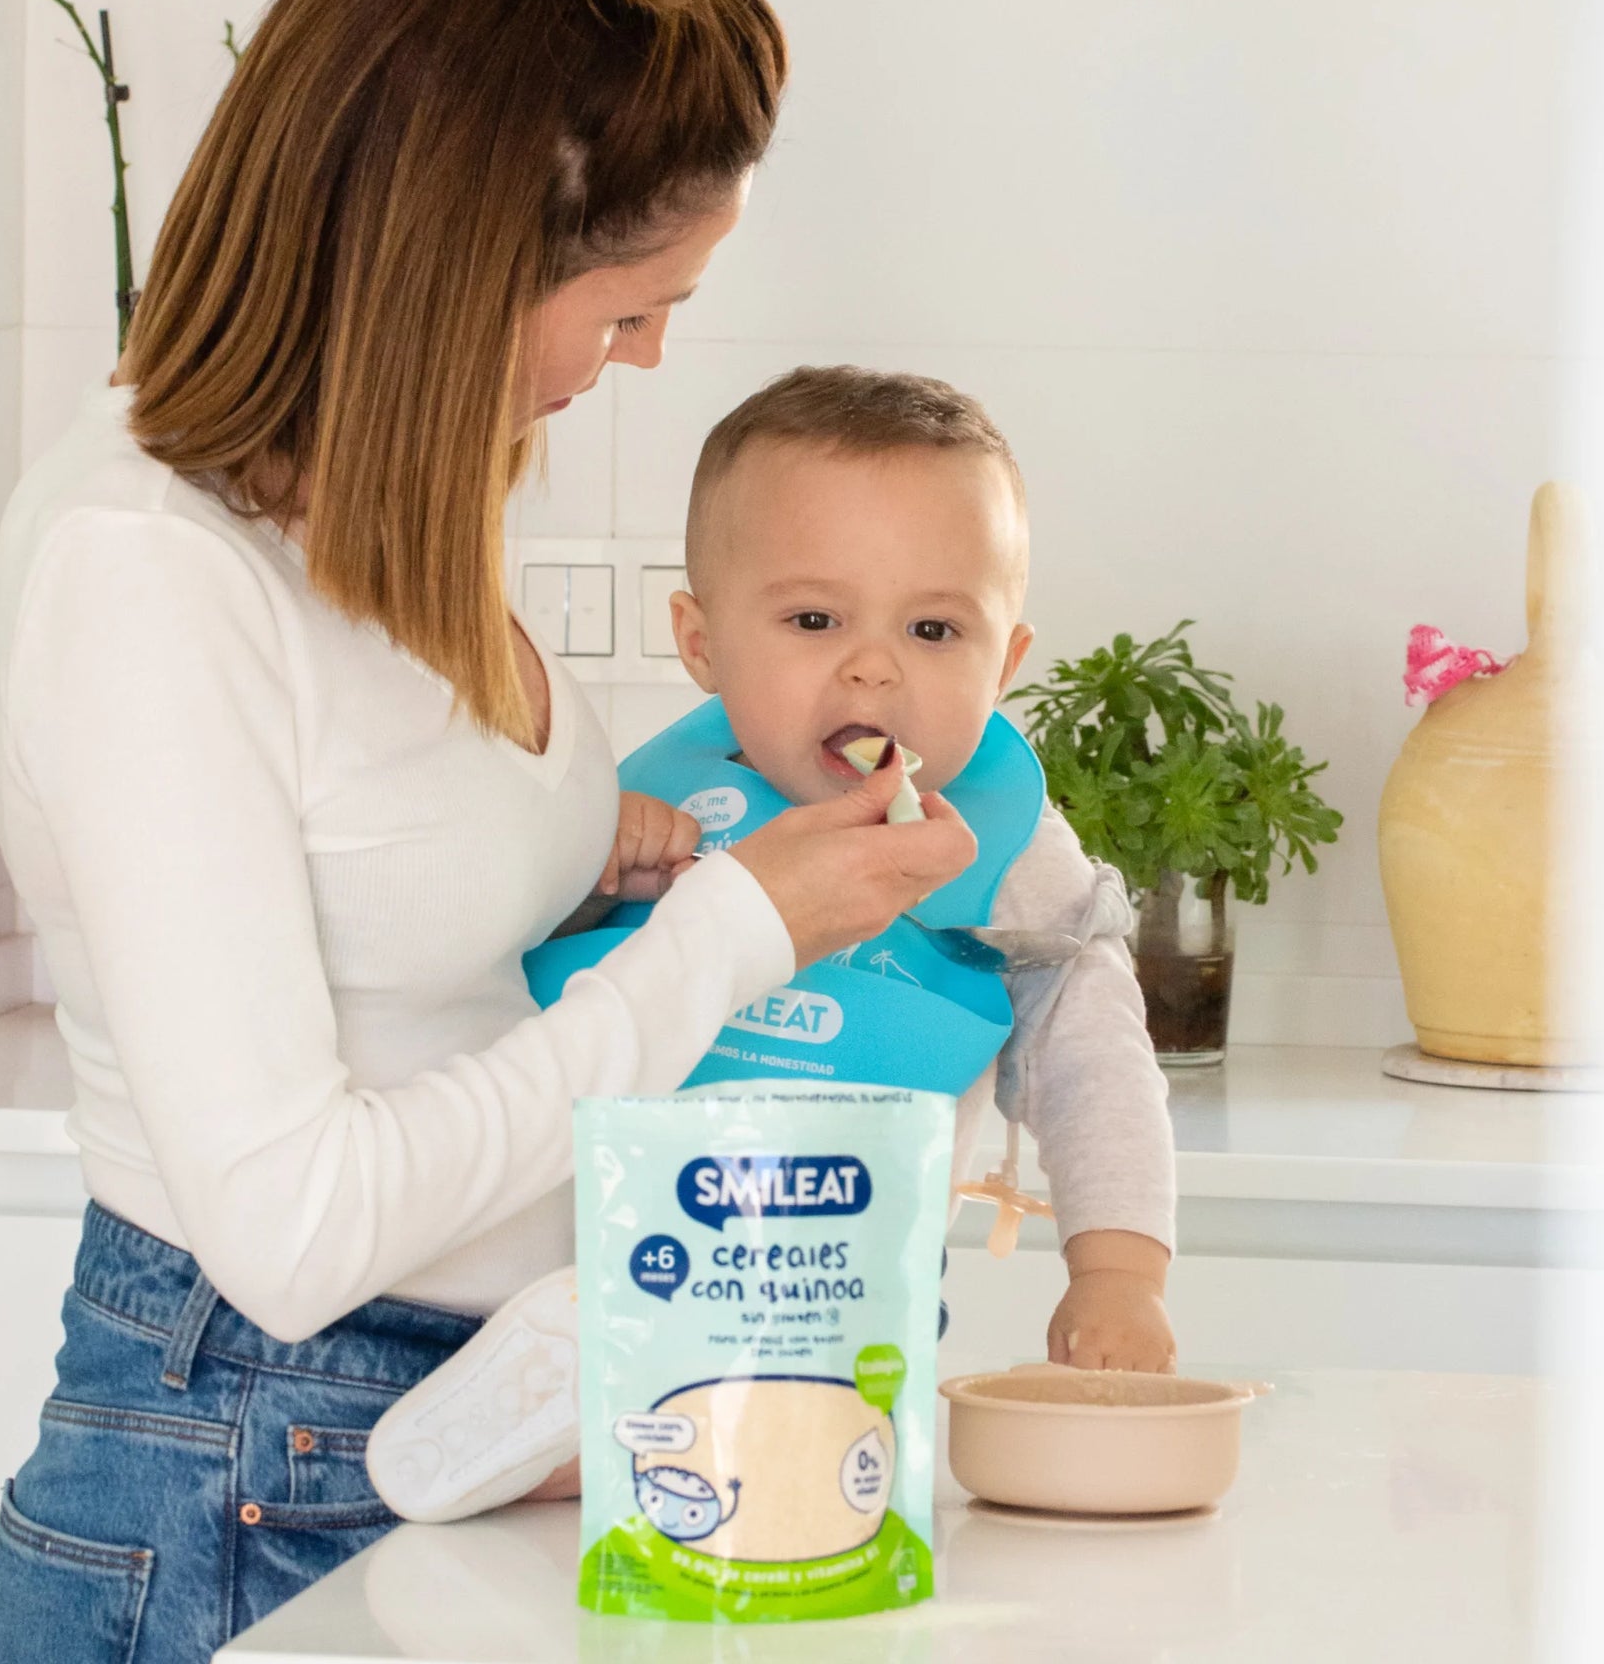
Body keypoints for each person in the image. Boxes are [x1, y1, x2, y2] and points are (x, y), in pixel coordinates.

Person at [0, 0, 979, 1661]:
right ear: (456, 266)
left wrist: (613, 857)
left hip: (451, 1444)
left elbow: (373, 888)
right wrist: (733, 933)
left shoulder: (377, 503)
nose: (652, 351)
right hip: (241, 1480)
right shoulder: (150, 573)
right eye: (630, 303)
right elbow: (292, 1230)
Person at [367, 365, 1177, 1524]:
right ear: (701, 642)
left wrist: (1118, 1270)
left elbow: (1100, 1058)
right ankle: (555, 1414)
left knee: (806, 1509)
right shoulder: (653, 804)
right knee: (659, 1484)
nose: (874, 666)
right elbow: (494, 985)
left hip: (848, 1288)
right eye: (813, 620)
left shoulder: (1007, 851)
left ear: (1005, 664)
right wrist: (590, 873)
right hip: (629, 1255)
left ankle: (587, 1433)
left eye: (935, 628)